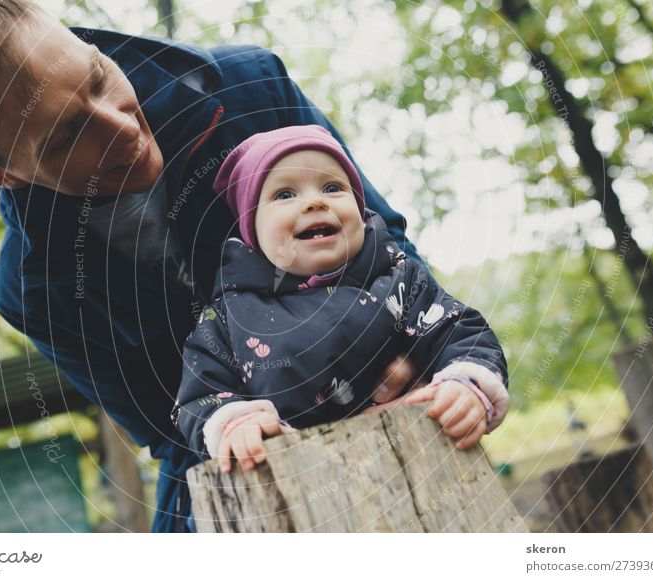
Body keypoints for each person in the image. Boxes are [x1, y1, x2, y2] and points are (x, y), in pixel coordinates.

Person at [0, 0, 435, 532]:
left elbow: (387, 251)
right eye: (65, 136)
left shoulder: (249, 88)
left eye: (100, 77)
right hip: (230, 465)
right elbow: (167, 431)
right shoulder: (33, 294)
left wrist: (406, 358)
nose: (121, 126)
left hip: (389, 396)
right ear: (1, 174)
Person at [173, 125, 509, 473]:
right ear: (252, 230)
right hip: (300, 479)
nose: (316, 202)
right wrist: (235, 424)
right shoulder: (230, 316)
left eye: (333, 188)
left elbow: (459, 332)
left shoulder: (399, 279)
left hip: (417, 457)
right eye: (285, 194)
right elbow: (201, 393)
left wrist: (465, 385)